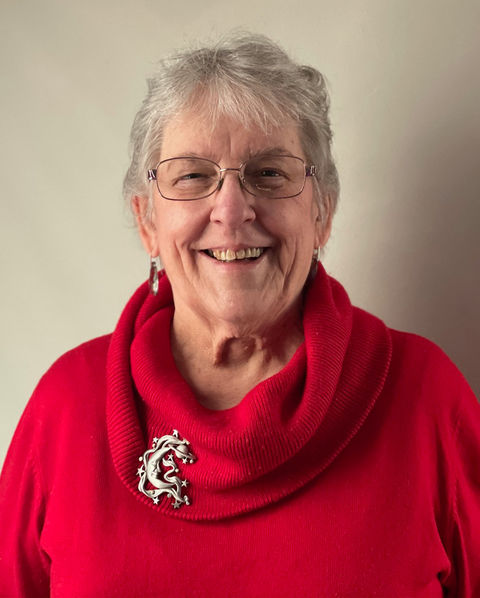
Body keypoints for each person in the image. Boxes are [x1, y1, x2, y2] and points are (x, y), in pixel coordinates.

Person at [0, 32, 479, 598]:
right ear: (148, 222)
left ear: (323, 212)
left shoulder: (425, 397)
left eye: (270, 173)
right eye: (193, 176)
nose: (231, 210)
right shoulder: (65, 407)